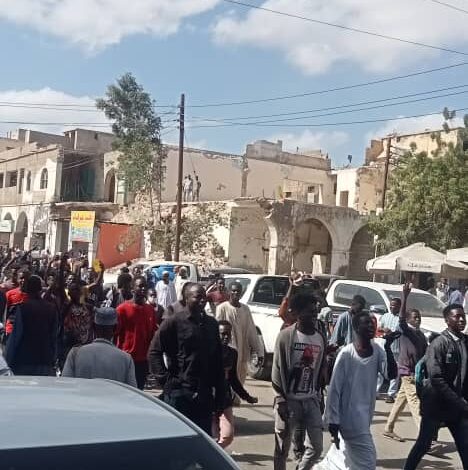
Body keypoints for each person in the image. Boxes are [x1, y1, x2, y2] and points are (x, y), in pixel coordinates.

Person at [316, 312, 398, 470]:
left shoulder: (377, 350)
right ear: (356, 328)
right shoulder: (346, 354)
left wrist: (388, 347)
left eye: (372, 323)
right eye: (366, 323)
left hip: (365, 415)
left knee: (341, 456)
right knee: (368, 461)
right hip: (348, 417)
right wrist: (333, 420)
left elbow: (391, 374)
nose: (371, 326)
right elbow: (335, 389)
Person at [148, 284, 225, 435]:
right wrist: (166, 381)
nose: (202, 300)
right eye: (198, 297)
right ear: (186, 298)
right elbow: (154, 352)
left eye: (204, 297)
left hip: (204, 395)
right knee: (177, 438)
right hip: (179, 394)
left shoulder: (211, 324)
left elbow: (217, 360)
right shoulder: (174, 322)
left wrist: (220, 395)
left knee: (202, 439)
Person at [404, 304, 468, 470]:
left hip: (457, 408)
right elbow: (436, 378)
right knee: (423, 444)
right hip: (436, 405)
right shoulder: (439, 344)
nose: (462, 320)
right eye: (457, 316)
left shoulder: (465, 342)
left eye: (463, 316)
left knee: (465, 446)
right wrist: (458, 401)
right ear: (447, 320)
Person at [272, 292, 327, 470]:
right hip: (289, 401)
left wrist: (319, 396)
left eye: (315, 311)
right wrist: (280, 400)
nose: (314, 315)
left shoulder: (320, 338)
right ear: (297, 313)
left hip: (311, 399)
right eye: (309, 311)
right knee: (282, 448)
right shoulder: (286, 336)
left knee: (316, 448)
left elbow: (320, 370)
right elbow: (277, 369)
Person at [383, 283, 427, 441]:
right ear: (409, 320)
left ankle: (388, 428)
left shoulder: (421, 335)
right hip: (407, 371)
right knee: (415, 402)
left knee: (401, 400)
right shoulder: (406, 331)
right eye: (415, 317)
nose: (418, 319)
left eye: (419, 317)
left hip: (416, 373)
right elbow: (401, 318)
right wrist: (405, 296)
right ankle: (425, 436)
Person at [62, 307, 137, 387]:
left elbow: (65, 385)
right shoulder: (126, 359)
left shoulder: (75, 354)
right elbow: (132, 391)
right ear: (115, 328)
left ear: (94, 327)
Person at [213, 320, 258, 448]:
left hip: (225, 399)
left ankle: (217, 452)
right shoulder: (208, 353)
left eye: (228, 334)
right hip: (209, 400)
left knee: (228, 435)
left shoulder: (232, 353)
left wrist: (247, 397)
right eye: (222, 334)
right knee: (211, 435)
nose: (226, 337)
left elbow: (233, 379)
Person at [5, 275, 57, 376]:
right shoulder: (51, 308)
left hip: (24, 361)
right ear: (40, 290)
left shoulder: (23, 308)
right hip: (45, 360)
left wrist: (8, 360)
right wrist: (53, 358)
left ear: (27, 290)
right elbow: (54, 336)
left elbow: (16, 336)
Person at [216, 282, 261, 387]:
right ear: (229, 292)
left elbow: (251, 331)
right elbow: (217, 330)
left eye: (238, 291)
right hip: (228, 350)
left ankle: (236, 396)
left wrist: (258, 351)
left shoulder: (245, 309)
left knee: (240, 378)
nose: (236, 293)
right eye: (233, 291)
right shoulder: (222, 308)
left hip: (242, 350)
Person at [116, 276, 157, 390]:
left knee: (139, 391)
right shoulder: (122, 309)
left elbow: (152, 334)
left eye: (145, 286)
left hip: (143, 360)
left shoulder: (150, 310)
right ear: (133, 288)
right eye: (140, 286)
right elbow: (115, 334)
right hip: (126, 359)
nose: (143, 289)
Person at [61, 281, 94, 365]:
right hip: (70, 345)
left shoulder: (88, 307)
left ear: (80, 292)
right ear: (69, 293)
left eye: (76, 289)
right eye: (72, 290)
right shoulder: (66, 307)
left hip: (86, 345)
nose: (75, 292)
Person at [378, 297, 402, 403]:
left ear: (399, 306)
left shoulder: (401, 319)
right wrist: (384, 329)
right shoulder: (385, 316)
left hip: (396, 349)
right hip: (384, 347)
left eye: (394, 305)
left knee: (395, 372)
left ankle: (391, 394)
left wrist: (393, 333)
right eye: (391, 305)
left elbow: (402, 332)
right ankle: (376, 391)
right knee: (380, 370)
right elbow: (379, 328)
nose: (392, 307)